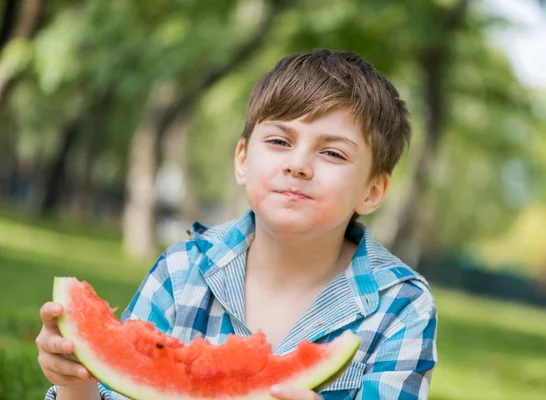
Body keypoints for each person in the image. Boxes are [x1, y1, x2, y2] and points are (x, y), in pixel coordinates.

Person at [36, 49, 438, 400]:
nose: (297, 165)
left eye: (332, 153)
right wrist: (77, 381)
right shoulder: (180, 274)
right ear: (243, 159)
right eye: (280, 141)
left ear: (372, 191)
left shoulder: (401, 306)